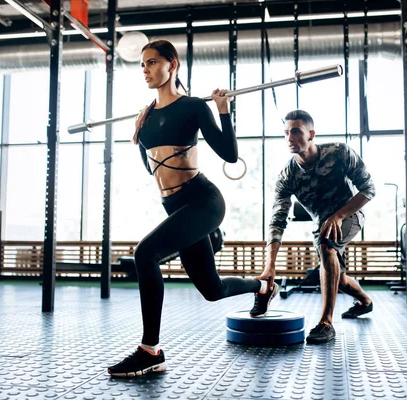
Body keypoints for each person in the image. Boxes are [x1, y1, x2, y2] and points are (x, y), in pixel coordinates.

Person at [107, 40, 279, 378]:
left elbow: (229, 154)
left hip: (203, 201)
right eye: (142, 65)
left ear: (173, 65)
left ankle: (150, 351)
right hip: (176, 208)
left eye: (153, 63)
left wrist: (223, 110)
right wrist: (144, 132)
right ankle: (264, 287)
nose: (146, 70)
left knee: (145, 255)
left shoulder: (193, 108)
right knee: (212, 290)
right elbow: (152, 169)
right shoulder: (147, 115)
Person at [250, 109, 376, 344]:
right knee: (336, 276)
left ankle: (326, 323)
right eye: (286, 133)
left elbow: (368, 189)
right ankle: (365, 302)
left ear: (311, 134)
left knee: (326, 247)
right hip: (323, 224)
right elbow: (278, 219)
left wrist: (338, 216)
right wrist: (270, 266)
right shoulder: (288, 175)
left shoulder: (339, 152)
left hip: (350, 214)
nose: (290, 138)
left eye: (296, 131)